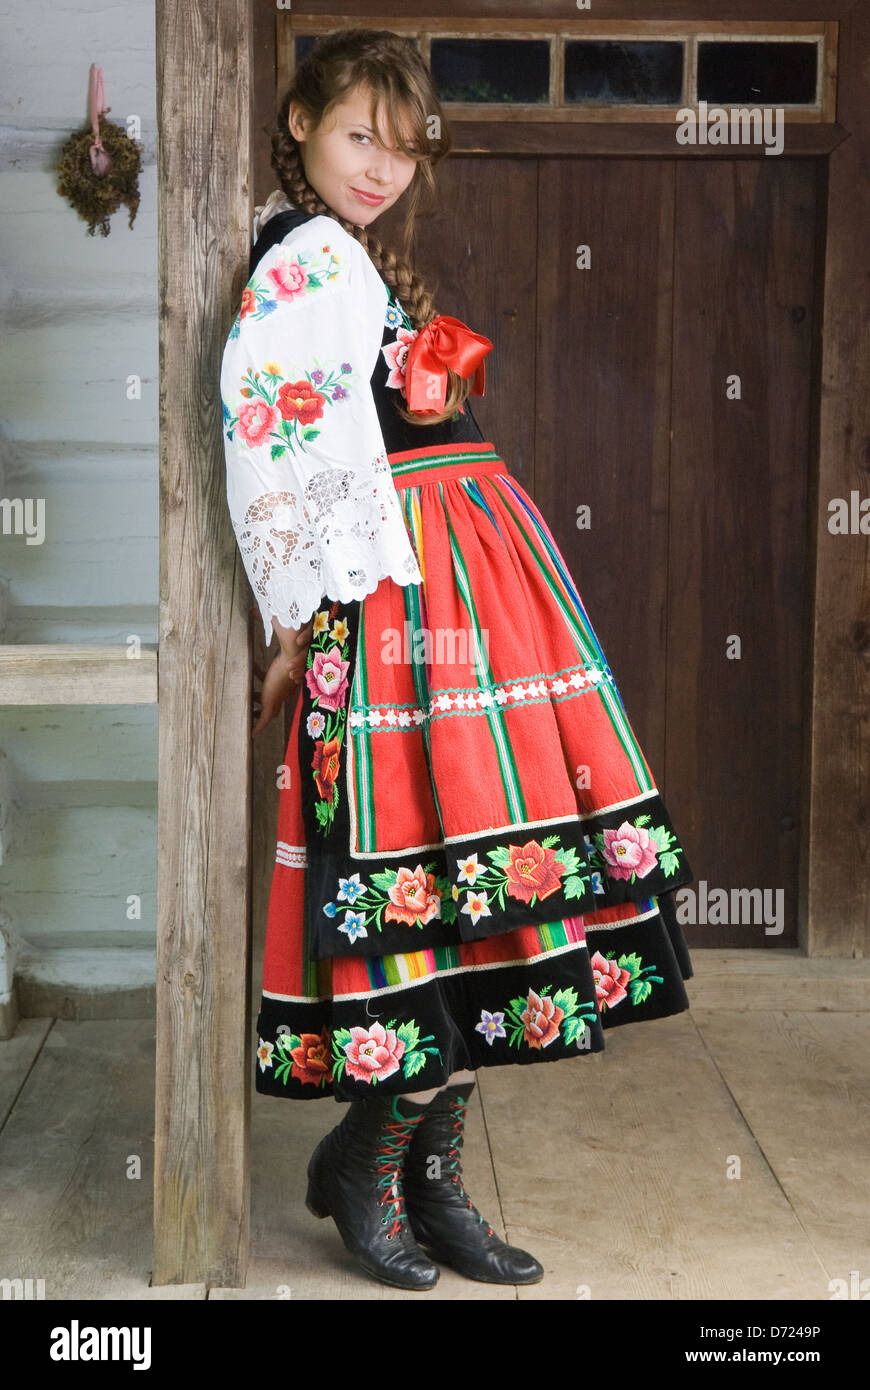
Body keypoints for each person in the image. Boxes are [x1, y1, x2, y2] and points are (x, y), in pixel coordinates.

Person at [219, 27, 695, 1293]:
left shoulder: (338, 249)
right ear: (304, 119)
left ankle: (424, 1178)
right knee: (441, 871)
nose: (380, 166)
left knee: (475, 885)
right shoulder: (309, 255)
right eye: (356, 135)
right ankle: (376, 1168)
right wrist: (289, 621)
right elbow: (272, 443)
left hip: (463, 588)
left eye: (403, 143)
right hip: (400, 599)